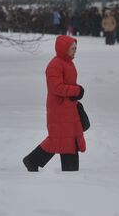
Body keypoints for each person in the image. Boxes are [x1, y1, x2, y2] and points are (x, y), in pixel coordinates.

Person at [23, 35, 85, 172]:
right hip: (59, 109)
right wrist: (76, 91)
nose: (75, 51)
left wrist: (76, 92)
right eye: (72, 48)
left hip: (68, 107)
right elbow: (56, 87)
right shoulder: (55, 65)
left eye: (76, 48)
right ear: (64, 49)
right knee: (60, 139)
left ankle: (33, 161)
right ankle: (34, 161)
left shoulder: (68, 62)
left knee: (66, 139)